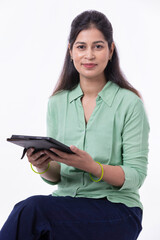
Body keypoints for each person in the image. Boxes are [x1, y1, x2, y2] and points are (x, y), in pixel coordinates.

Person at [0, 10, 150, 240]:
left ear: (110, 51)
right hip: (68, 204)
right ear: (70, 51)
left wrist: (92, 167)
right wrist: (41, 165)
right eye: (81, 47)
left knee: (31, 211)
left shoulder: (129, 103)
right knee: (32, 216)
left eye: (98, 46)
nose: (89, 55)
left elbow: (136, 175)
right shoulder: (57, 103)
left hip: (118, 211)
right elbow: (57, 176)